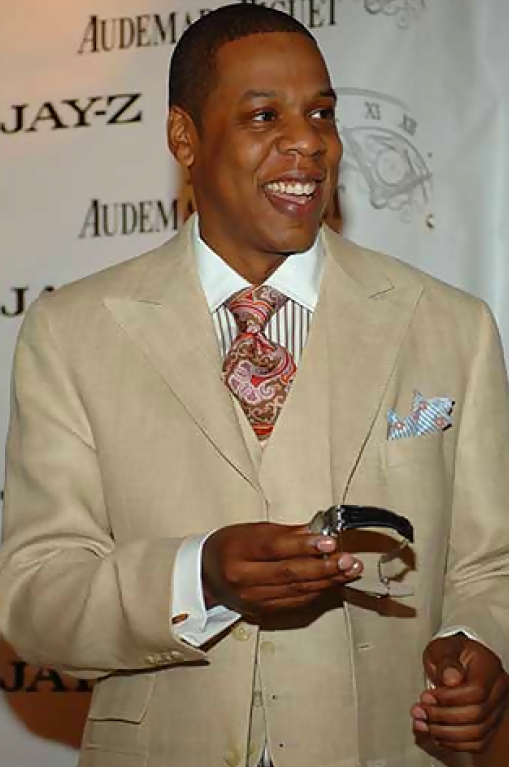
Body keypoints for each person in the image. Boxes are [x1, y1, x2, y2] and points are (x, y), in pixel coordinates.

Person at [0, 5, 508, 767]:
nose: (307, 140)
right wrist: (198, 576)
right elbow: (37, 596)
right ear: (184, 138)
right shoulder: (72, 331)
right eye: (264, 115)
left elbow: (491, 562)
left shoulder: (450, 325)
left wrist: (478, 641)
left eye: (321, 113)